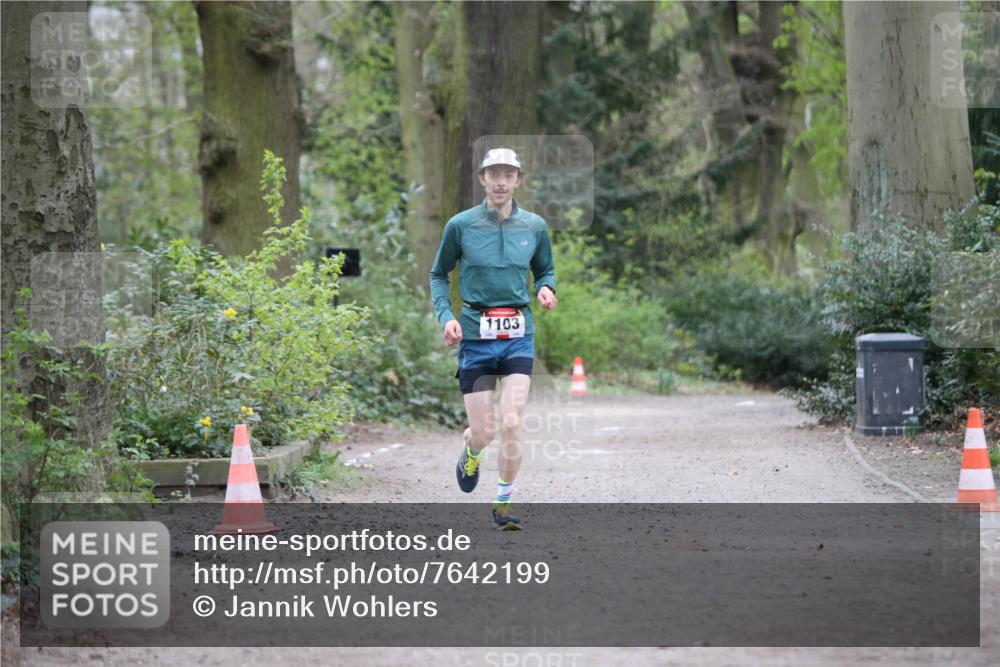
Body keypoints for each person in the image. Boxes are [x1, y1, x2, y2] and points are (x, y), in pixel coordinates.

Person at [429, 148, 558, 530]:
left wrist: (546, 288)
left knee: (512, 421)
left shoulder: (534, 226)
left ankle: (503, 503)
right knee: (484, 432)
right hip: (476, 335)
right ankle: (472, 449)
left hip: (518, 334)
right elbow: (438, 274)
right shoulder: (460, 226)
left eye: (508, 174)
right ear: (482, 179)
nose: (501, 181)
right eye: (494, 174)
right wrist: (446, 317)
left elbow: (545, 269)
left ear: (518, 180)